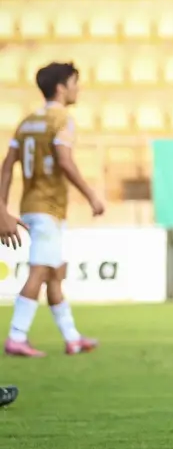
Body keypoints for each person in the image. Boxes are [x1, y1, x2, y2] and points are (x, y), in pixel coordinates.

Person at [2, 62, 103, 358]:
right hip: (47, 206)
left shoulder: (28, 121)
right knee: (41, 270)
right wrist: (91, 195)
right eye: (74, 82)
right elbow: (64, 160)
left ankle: (71, 337)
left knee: (55, 272)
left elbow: (7, 166)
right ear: (61, 87)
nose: (77, 88)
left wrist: (2, 205)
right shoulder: (63, 120)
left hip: (34, 204)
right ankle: (17, 336)